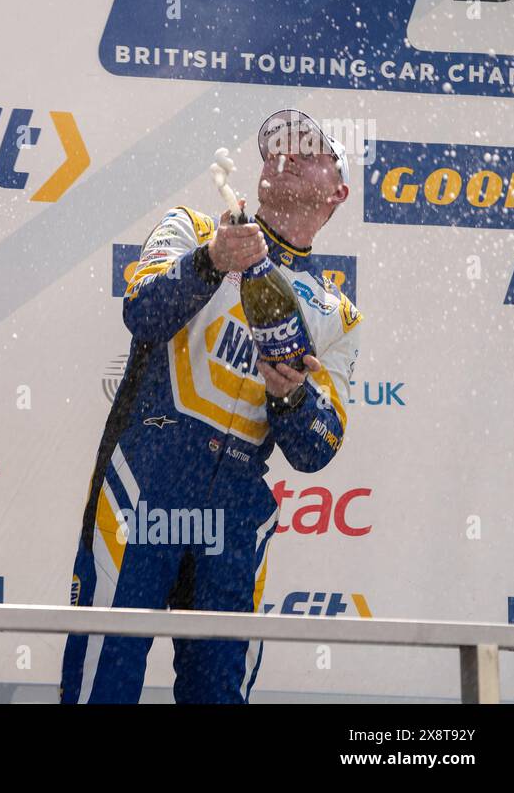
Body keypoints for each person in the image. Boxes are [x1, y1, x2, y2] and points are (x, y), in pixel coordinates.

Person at [61, 109, 362, 704]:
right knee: (103, 682)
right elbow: (140, 313)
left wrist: (291, 398)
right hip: (147, 479)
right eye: (280, 146)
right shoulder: (194, 227)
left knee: (218, 696)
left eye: (312, 149)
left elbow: (317, 449)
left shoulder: (338, 313)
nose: (291, 154)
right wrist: (211, 262)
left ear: (338, 191)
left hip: (237, 507)